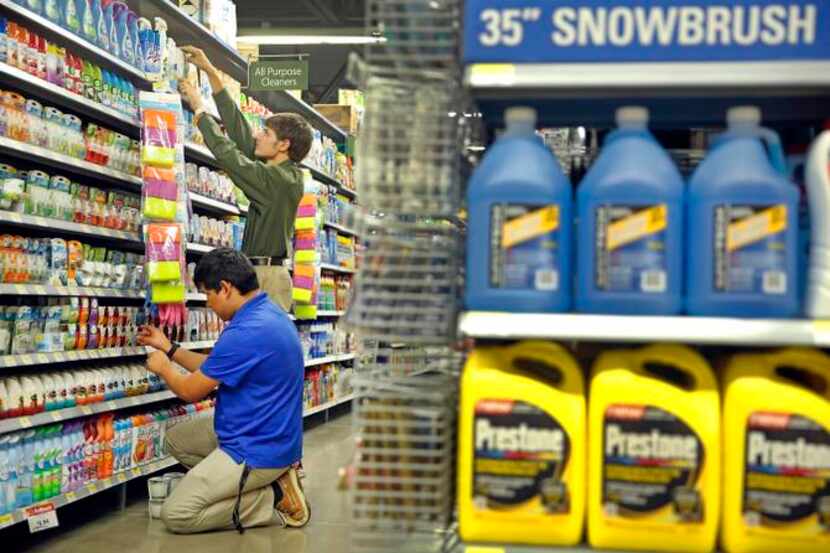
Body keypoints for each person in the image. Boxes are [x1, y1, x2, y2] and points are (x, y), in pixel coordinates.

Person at [140, 248, 310, 534]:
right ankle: (247, 482)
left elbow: (190, 391)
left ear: (226, 288)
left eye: (208, 294)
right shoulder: (265, 313)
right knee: (176, 440)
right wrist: (168, 348)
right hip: (260, 432)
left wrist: (163, 369)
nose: (208, 303)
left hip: (256, 448)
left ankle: (274, 497)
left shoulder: (246, 332)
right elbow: (214, 365)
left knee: (177, 514)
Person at [178, 45, 312, 312]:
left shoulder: (281, 180)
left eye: (265, 133)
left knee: (260, 347)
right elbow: (240, 129)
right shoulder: (278, 169)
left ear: (283, 145)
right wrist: (209, 70)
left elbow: (230, 157)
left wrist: (200, 110)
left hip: (267, 278)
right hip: (257, 271)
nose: (258, 135)